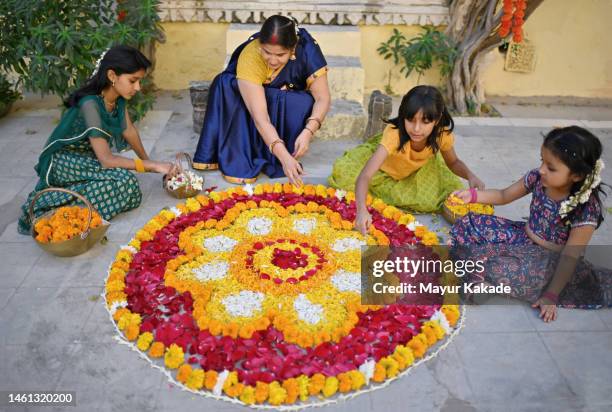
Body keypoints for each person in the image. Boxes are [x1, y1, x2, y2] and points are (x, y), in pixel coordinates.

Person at [451, 126, 611, 321]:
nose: (542, 169)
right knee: (467, 224)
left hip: (549, 261)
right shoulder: (538, 177)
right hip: (523, 236)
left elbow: (570, 255)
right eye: (542, 161)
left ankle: (484, 280)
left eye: (551, 167)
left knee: (498, 267)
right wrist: (474, 195)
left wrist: (551, 296)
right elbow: (503, 195)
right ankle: (479, 271)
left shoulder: (585, 207)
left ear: (576, 176)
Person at [18, 45, 176, 235]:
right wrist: (153, 166)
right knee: (124, 182)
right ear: (112, 76)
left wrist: (149, 162)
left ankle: (77, 200)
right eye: (133, 80)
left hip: (87, 158)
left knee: (131, 191)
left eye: (139, 81)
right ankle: (55, 215)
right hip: (64, 161)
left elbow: (129, 131)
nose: (137, 88)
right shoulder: (91, 105)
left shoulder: (117, 97)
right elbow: (107, 160)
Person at [192, 15, 331, 186]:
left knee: (302, 103)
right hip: (238, 97)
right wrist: (284, 157)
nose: (273, 60)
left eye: (280, 54)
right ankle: (253, 150)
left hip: (274, 94)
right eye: (267, 52)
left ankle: (274, 149)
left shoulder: (308, 50)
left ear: (293, 48)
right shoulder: (251, 56)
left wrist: (308, 131)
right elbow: (261, 119)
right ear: (260, 46)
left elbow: (322, 98)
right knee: (266, 103)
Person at [328, 85, 484, 234]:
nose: (416, 129)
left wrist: (471, 175)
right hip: (383, 171)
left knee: (437, 198)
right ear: (403, 117)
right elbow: (366, 175)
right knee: (345, 177)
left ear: (437, 120)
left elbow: (453, 162)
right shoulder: (394, 134)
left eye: (425, 122)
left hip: (418, 170)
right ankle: (375, 128)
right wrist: (361, 210)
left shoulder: (441, 135)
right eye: (411, 120)